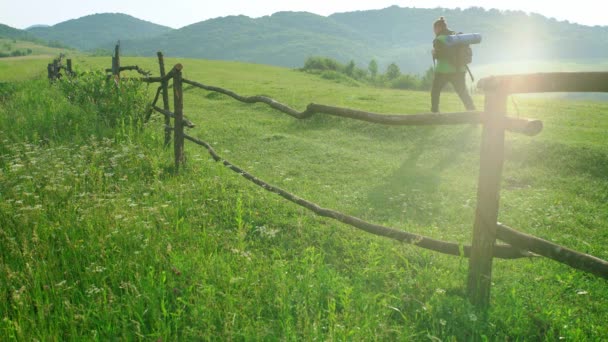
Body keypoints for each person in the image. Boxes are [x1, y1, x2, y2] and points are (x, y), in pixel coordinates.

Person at [431, 16, 476, 113]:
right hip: (460, 70)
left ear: (438, 27)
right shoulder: (456, 36)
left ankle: (434, 114)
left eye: (434, 29)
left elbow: (439, 55)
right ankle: (473, 112)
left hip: (443, 71)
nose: (434, 31)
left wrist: (434, 53)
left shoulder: (439, 39)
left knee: (435, 92)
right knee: (463, 93)